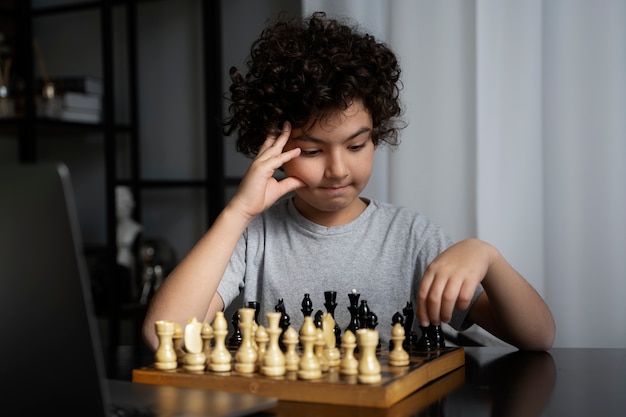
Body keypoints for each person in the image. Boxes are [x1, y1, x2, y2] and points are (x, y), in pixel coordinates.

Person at [142, 12, 555, 352]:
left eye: (356, 145)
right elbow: (161, 332)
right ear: (274, 149)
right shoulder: (253, 239)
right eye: (312, 151)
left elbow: (538, 337)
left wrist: (489, 258)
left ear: (377, 133)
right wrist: (238, 212)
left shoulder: (412, 238)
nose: (338, 169)